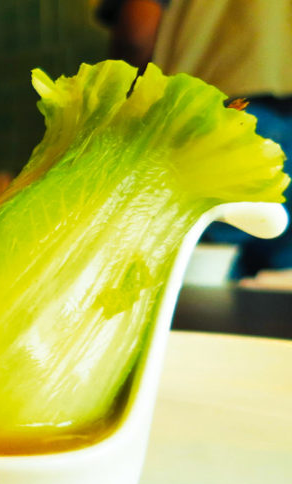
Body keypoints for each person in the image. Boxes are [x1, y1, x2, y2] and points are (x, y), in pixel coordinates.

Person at [98, 0, 292, 278]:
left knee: (192, 280)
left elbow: (137, 30)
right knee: (279, 292)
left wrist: (118, 104)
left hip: (216, 106)